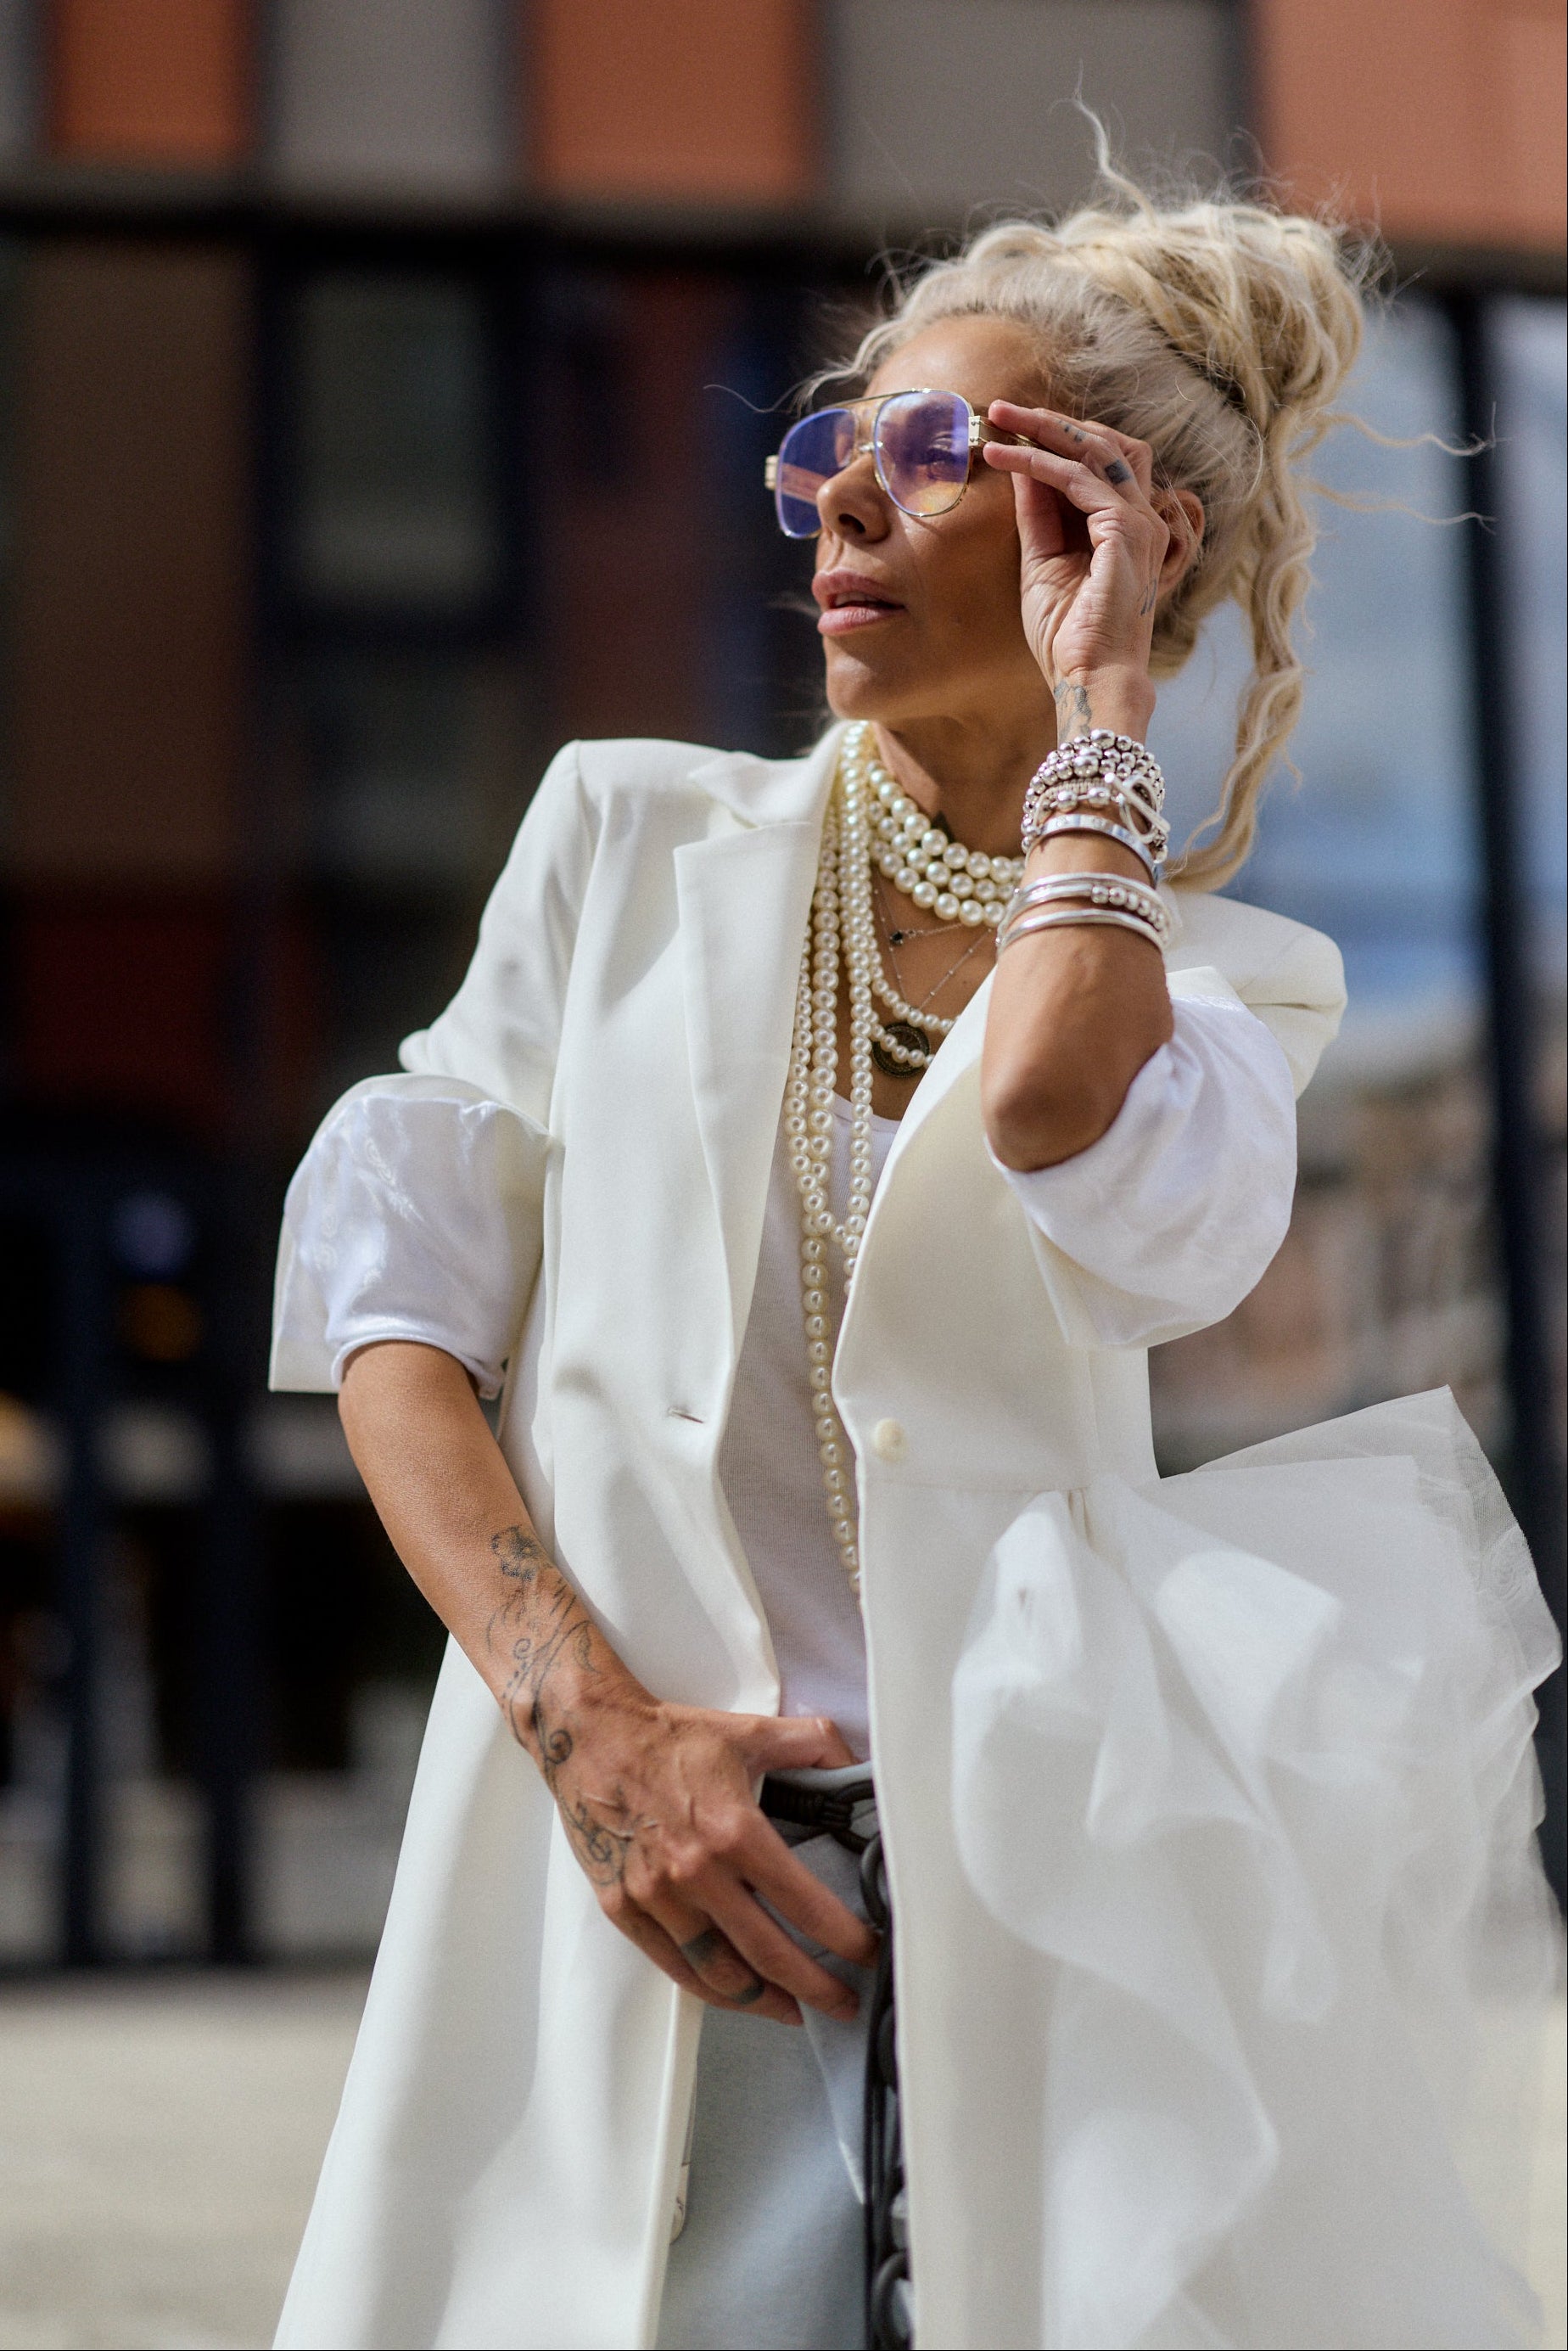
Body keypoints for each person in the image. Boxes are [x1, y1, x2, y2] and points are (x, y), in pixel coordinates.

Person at [269, 171, 1560, 2351]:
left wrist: (1100, 727)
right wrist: (586, 1724)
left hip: (1032, 1906)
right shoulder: (627, 838)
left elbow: (1057, 1111)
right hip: (631, 1853)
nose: (842, 503)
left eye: (937, 452)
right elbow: (397, 1318)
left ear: (1117, 528)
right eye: (824, 452)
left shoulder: (1233, 992)